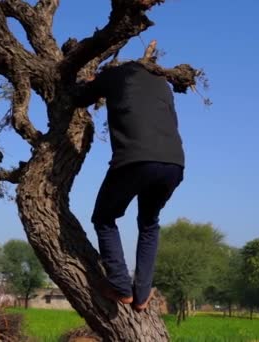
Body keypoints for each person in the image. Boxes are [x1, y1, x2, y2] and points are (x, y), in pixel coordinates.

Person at [74, 61, 185, 312]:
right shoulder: (162, 84)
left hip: (134, 160)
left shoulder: (114, 75)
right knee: (149, 223)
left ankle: (121, 288)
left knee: (104, 218)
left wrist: (90, 82)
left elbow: (79, 98)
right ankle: (142, 294)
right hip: (174, 163)